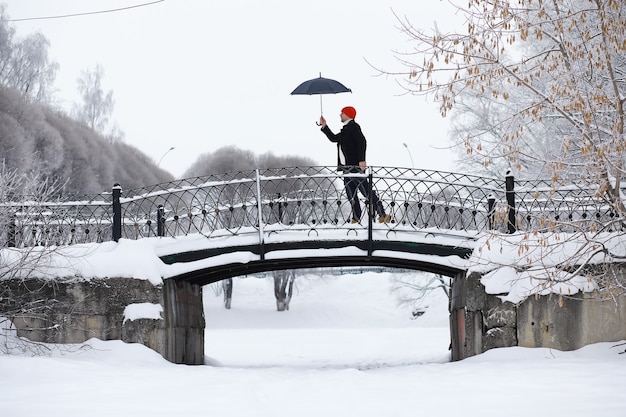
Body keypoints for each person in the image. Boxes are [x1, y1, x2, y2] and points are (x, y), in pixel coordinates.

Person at [319, 106, 391, 224]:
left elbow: (362, 141)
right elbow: (333, 138)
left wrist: (362, 160)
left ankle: (382, 214)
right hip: (346, 169)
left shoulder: (353, 126)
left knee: (366, 191)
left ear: (348, 114)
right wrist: (324, 126)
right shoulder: (345, 129)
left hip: (354, 167)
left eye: (342, 113)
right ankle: (356, 218)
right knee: (351, 194)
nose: (340, 115)